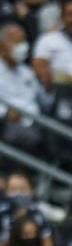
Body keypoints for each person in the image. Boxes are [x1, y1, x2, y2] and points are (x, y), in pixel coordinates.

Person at [0, 21, 43, 152]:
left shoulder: (26, 71)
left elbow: (43, 100)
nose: (22, 47)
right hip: (7, 124)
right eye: (16, 42)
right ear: (1, 46)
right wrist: (5, 112)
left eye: (23, 41)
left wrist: (46, 82)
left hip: (36, 121)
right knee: (33, 138)